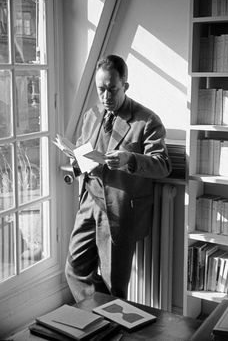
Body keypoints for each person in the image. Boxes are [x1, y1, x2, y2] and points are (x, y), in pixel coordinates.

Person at [65, 54, 171, 302]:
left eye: (112, 89)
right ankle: (98, 315)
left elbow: (163, 165)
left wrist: (130, 160)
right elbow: (82, 150)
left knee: (115, 287)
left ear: (125, 85)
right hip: (89, 203)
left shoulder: (147, 121)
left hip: (120, 211)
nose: (106, 97)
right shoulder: (92, 115)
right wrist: (76, 161)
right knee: (75, 269)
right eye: (101, 89)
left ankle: (111, 327)